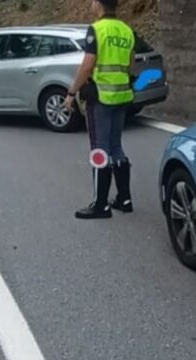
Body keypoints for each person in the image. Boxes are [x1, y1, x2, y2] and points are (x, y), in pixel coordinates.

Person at [63, 0, 135, 220]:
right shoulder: (126, 30)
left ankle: (100, 205)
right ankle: (124, 199)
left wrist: (71, 93)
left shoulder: (97, 29)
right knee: (115, 146)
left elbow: (87, 65)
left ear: (99, 5)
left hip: (101, 98)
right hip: (122, 95)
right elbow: (130, 64)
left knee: (99, 150)